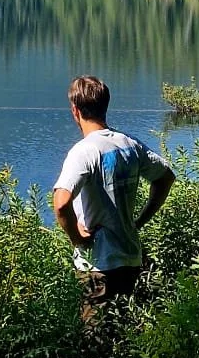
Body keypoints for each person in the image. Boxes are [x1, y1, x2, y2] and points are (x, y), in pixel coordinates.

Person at [53, 74, 175, 314]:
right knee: (126, 329)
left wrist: (77, 238)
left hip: (98, 265)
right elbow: (165, 178)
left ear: (75, 110)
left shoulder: (84, 152)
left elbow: (61, 203)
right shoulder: (129, 144)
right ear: (105, 106)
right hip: (130, 258)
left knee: (96, 335)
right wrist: (139, 221)